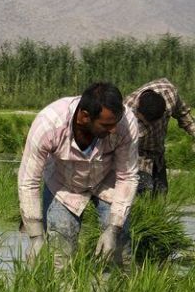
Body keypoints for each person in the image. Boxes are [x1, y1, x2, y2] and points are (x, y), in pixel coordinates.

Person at [18, 82, 139, 268]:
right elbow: (28, 181)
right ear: (84, 117)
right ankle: (65, 285)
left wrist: (113, 229)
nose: (114, 130)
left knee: (119, 249)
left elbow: (127, 176)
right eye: (106, 125)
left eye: (115, 123)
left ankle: (121, 283)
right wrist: (36, 237)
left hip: (107, 181)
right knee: (60, 251)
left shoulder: (125, 123)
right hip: (64, 184)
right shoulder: (48, 124)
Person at [123, 78, 195, 196]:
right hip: (137, 157)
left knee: (161, 195)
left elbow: (183, 115)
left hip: (158, 155)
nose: (150, 125)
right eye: (145, 122)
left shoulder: (169, 93)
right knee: (143, 193)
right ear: (137, 109)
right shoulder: (125, 113)